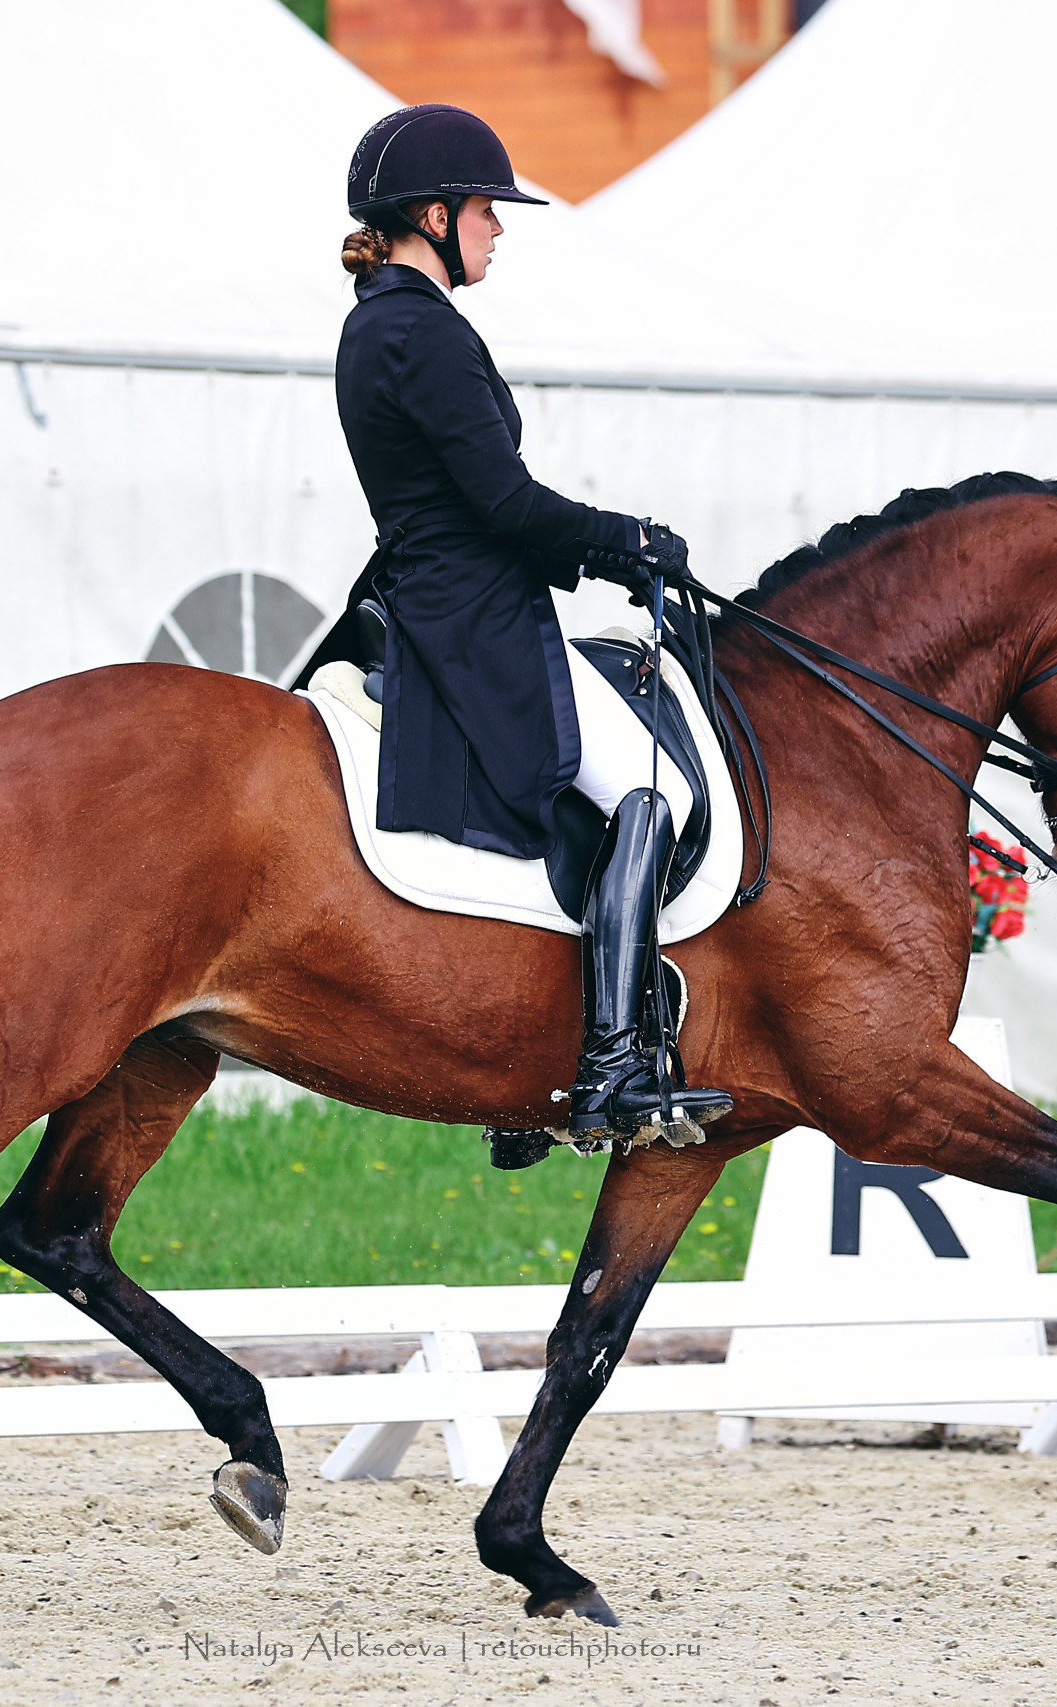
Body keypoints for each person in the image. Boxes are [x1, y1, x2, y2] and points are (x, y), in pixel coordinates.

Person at [330, 104, 730, 1145]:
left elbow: (477, 503)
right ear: (434, 215)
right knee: (652, 786)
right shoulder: (420, 332)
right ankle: (608, 1067)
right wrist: (625, 539)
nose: (499, 231)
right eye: (486, 213)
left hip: (442, 593)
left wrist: (590, 553)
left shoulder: (382, 323)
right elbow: (503, 504)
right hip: (470, 619)